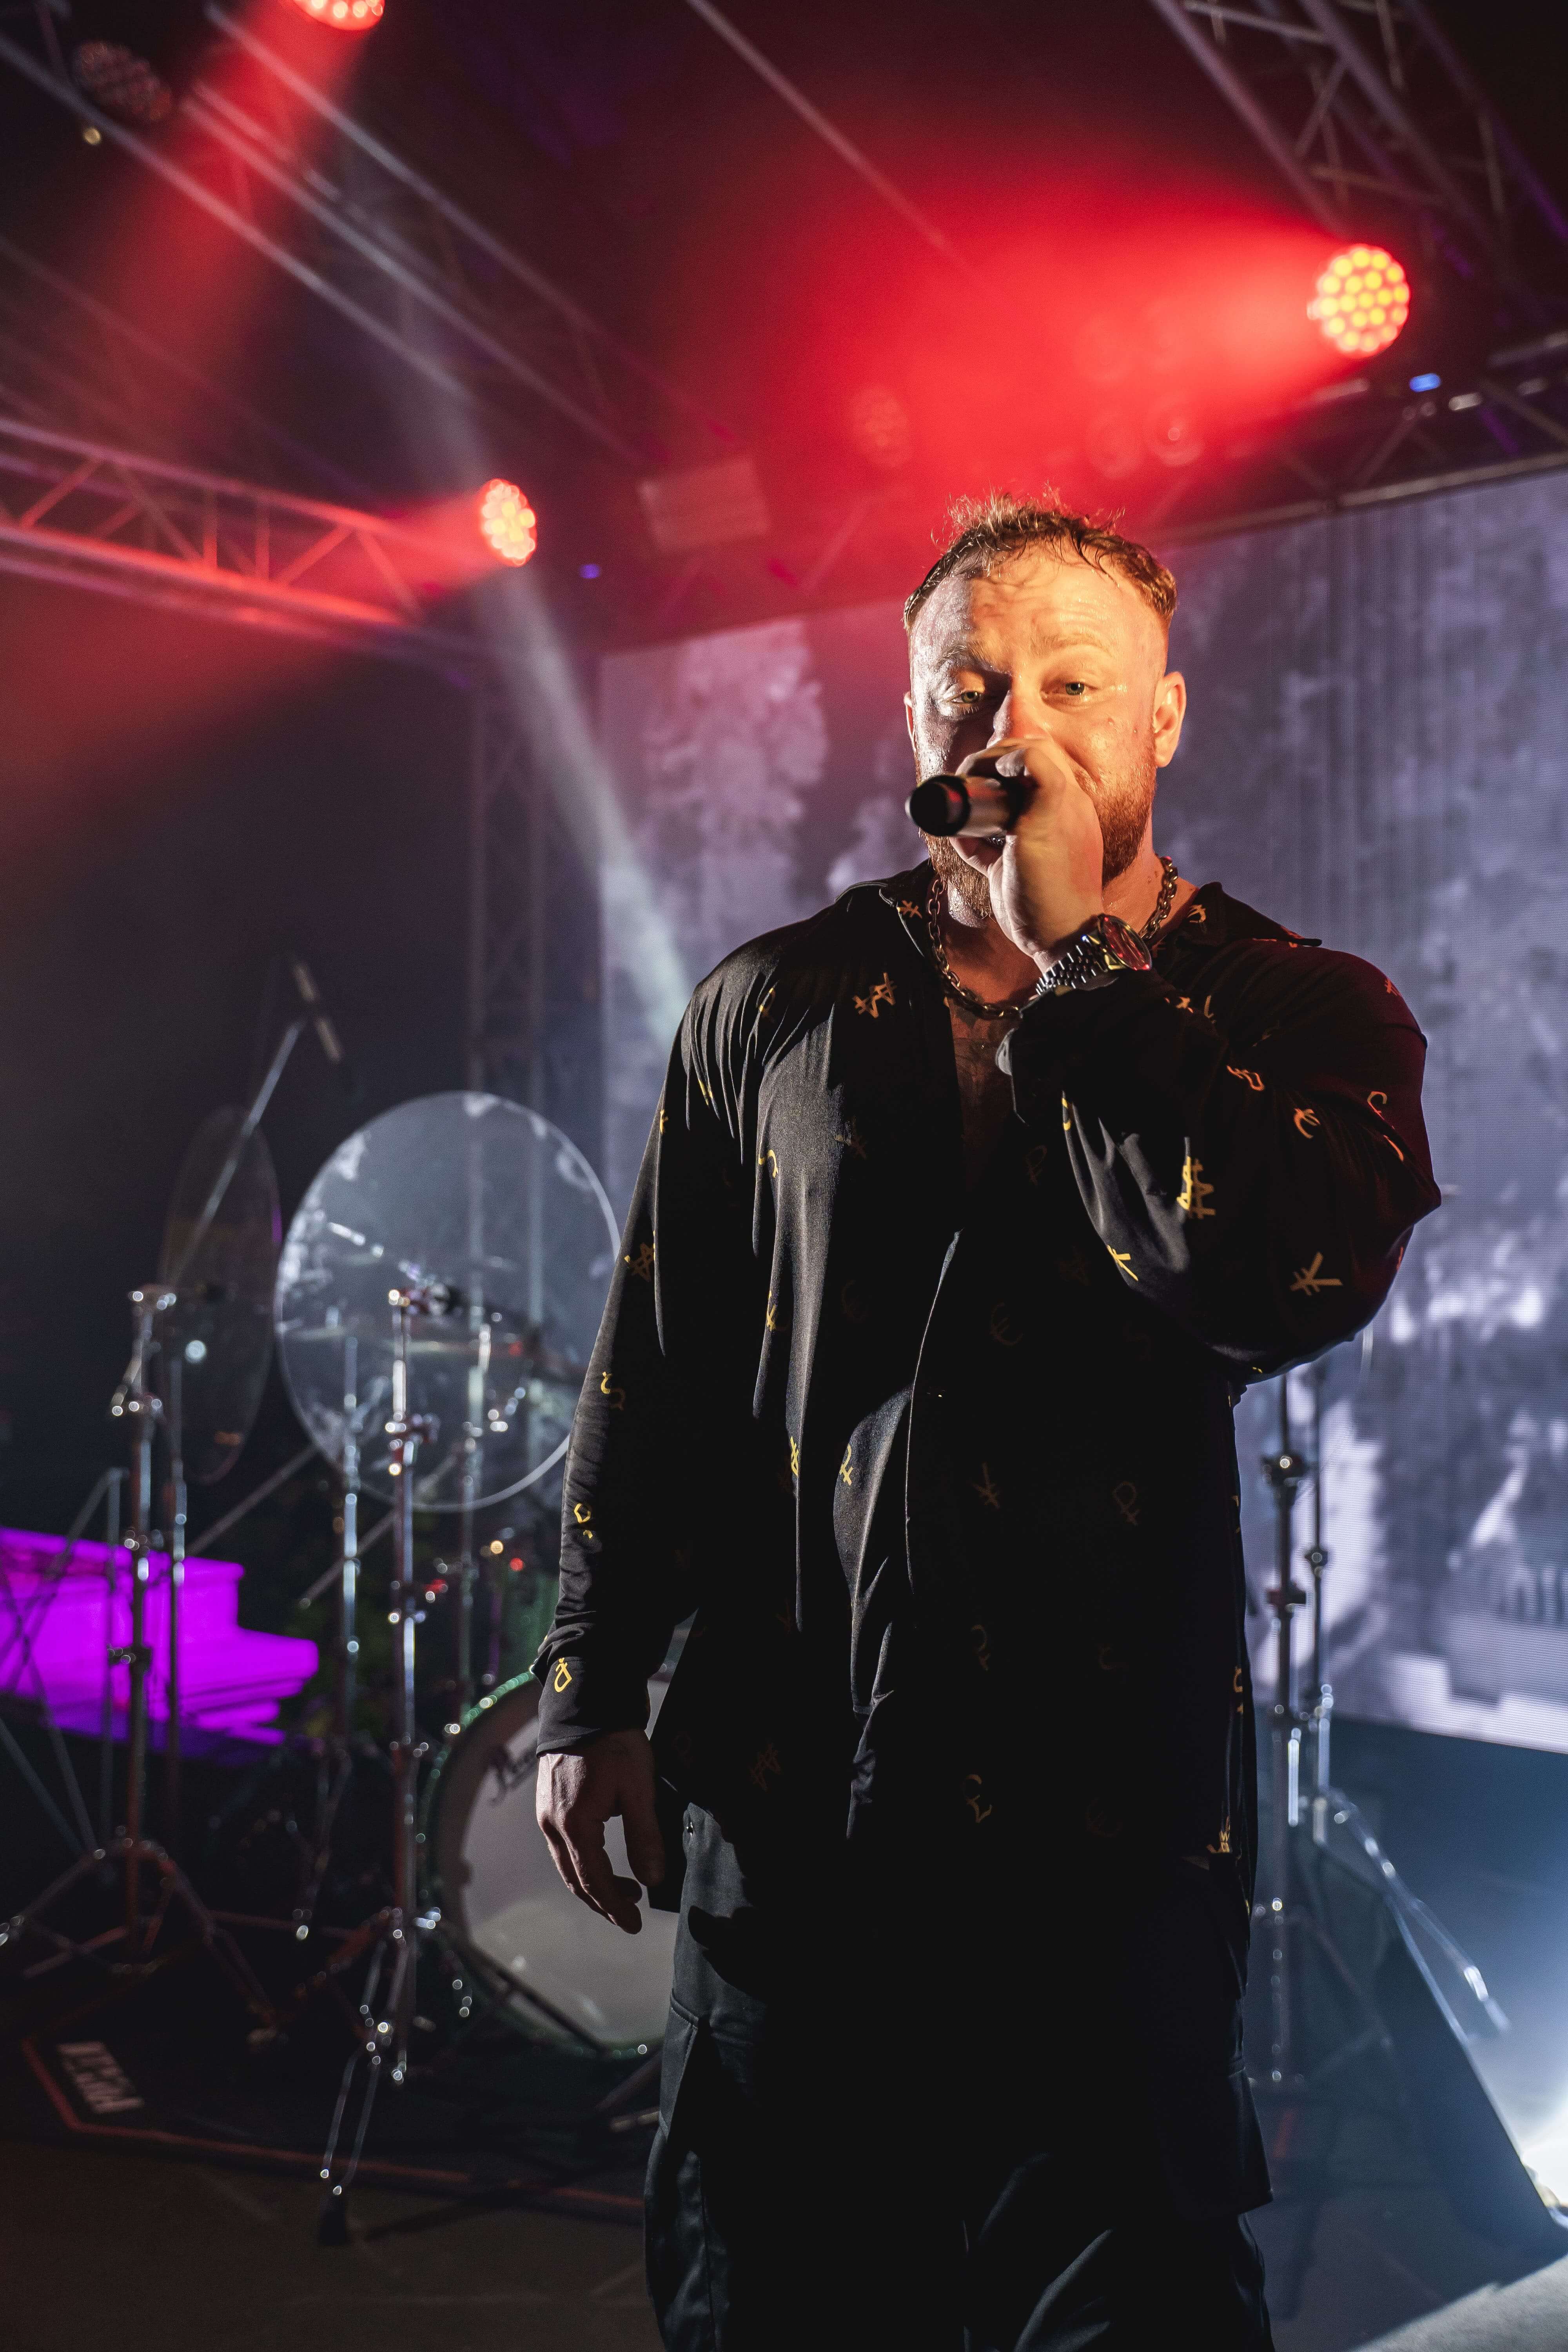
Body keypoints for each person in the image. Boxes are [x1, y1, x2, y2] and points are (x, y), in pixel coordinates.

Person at [533, 492, 1439, 2350]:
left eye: (1072, 684)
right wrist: (592, 1683)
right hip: (792, 1797)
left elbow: (1273, 1275)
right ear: (913, 717)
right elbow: (660, 1363)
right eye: (970, 684)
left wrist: (1082, 966)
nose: (1015, 727)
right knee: (773, 2295)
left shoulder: (1294, 1012)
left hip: (1097, 1832)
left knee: (1125, 2300)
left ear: (1162, 716)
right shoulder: (770, 1001)